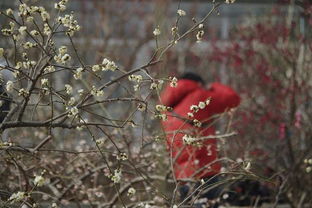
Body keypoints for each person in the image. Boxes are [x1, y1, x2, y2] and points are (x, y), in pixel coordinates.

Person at [160, 72, 240, 205]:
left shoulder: (167, 106)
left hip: (182, 175)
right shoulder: (199, 95)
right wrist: (213, 86)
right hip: (204, 170)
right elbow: (232, 99)